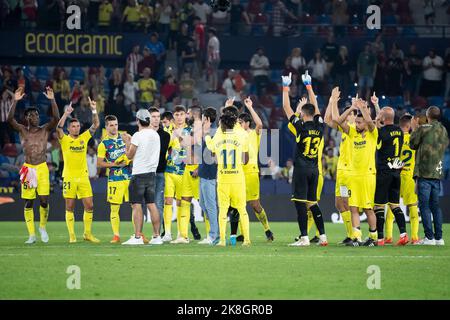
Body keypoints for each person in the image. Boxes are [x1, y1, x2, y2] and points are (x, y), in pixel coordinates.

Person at [7, 87, 59, 244]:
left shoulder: (45, 130)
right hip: (28, 168)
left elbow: (56, 118)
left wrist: (52, 99)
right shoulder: (22, 130)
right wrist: (15, 101)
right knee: (28, 202)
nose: (35, 117)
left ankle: (42, 227)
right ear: (26, 118)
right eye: (32, 115)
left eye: (36, 114)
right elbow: (9, 120)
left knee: (44, 200)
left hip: (42, 167)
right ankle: (31, 235)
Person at [281, 72, 328, 247]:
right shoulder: (319, 126)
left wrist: (285, 88)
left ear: (302, 113)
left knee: (300, 205)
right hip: (315, 169)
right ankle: (322, 236)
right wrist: (309, 87)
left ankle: (304, 238)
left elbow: (286, 108)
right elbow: (315, 108)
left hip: (301, 169)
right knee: (312, 203)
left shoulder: (300, 126)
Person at [205, 101, 251, 246]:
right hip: (237, 177)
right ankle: (247, 240)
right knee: (242, 209)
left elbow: (211, 150)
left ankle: (223, 240)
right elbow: (246, 159)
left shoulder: (218, 135)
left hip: (223, 178)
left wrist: (206, 135)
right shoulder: (241, 135)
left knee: (223, 210)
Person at [335, 97, 379, 247]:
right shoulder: (352, 131)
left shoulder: (373, 133)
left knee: (368, 209)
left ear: (366, 123)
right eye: (357, 122)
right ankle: (357, 237)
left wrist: (364, 109)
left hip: (367, 175)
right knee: (353, 208)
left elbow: (370, 122)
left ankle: (373, 237)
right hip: (353, 176)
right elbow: (338, 122)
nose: (357, 124)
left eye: (360, 122)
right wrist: (352, 108)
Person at [56, 97, 100, 243]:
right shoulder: (64, 139)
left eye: (78, 126)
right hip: (68, 177)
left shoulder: (84, 137)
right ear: (69, 128)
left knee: (90, 205)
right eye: (73, 126)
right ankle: (72, 235)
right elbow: (58, 128)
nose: (76, 128)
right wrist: (66, 114)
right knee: (70, 207)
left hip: (83, 177)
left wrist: (94, 109)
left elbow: (96, 124)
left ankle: (87, 233)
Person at [235, 97, 274, 242]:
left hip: (251, 172)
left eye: (240, 123)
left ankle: (267, 229)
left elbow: (260, 124)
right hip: (238, 172)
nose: (238, 125)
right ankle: (242, 232)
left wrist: (250, 108)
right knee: (239, 204)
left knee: (255, 204)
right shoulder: (237, 135)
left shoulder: (253, 134)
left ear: (246, 123)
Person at [122, 109, 162, 245]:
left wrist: (127, 141)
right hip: (152, 174)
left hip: (139, 174)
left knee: (136, 205)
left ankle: (138, 237)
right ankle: (157, 236)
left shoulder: (137, 136)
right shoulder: (155, 135)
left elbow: (129, 155)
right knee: (152, 204)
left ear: (137, 121)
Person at [410, 106, 449, 245]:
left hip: (424, 173)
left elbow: (412, 144)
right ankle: (439, 238)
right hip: (437, 173)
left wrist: (414, 128)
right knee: (435, 206)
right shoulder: (443, 130)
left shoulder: (423, 128)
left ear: (427, 115)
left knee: (424, 206)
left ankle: (429, 238)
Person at [373, 107, 409, 246]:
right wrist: (378, 109)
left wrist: (377, 118)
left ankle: (380, 239)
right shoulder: (399, 131)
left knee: (379, 206)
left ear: (383, 117)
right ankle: (403, 235)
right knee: (394, 205)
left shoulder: (382, 132)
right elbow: (384, 126)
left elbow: (378, 132)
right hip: (396, 172)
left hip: (384, 171)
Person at [325, 94, 357, 245]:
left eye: (350, 113)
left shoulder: (353, 129)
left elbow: (337, 119)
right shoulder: (345, 130)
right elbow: (328, 120)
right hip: (341, 171)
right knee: (339, 204)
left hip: (348, 172)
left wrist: (350, 107)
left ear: (354, 116)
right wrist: (332, 102)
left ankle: (355, 235)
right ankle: (350, 235)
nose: (347, 116)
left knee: (346, 202)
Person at [384, 114, 420, 245]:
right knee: (412, 206)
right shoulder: (414, 139)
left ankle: (388, 236)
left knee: (392, 205)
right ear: (409, 126)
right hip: (409, 176)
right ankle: (415, 237)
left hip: (395, 174)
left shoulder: (395, 138)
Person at [97, 115, 132, 243]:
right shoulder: (103, 144)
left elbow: (134, 153)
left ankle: (138, 234)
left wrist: (128, 156)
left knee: (135, 205)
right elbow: (99, 163)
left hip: (129, 176)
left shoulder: (126, 137)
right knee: (114, 207)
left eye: (116, 124)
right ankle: (116, 235)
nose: (114, 127)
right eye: (111, 125)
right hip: (114, 178)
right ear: (106, 127)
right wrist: (115, 164)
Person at [171, 105, 203, 244]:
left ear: (194, 114)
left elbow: (206, 150)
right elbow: (184, 144)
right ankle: (183, 236)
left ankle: (212, 235)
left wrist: (200, 168)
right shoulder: (189, 129)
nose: (185, 116)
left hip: (197, 170)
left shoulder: (201, 128)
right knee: (184, 201)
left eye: (188, 113)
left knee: (206, 204)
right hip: (187, 169)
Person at [197, 107, 219, 245]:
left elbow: (214, 153)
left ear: (207, 119)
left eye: (203, 118)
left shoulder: (214, 133)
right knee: (203, 204)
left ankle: (214, 236)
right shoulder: (207, 132)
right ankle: (214, 233)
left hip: (210, 174)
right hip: (203, 172)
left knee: (210, 206)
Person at [149, 107, 170, 236]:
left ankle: (156, 234)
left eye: (158, 117)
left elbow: (160, 151)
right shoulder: (143, 133)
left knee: (158, 203)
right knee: (138, 204)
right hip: (145, 173)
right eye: (153, 116)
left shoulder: (165, 135)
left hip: (159, 173)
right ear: (149, 118)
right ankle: (138, 234)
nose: (156, 119)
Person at [207, 27, 220, 92]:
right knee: (215, 73)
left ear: (211, 33)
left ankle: (211, 88)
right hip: (217, 57)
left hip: (213, 57)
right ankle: (215, 88)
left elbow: (211, 49)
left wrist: (209, 59)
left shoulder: (211, 39)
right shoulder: (216, 39)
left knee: (211, 73)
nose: (208, 34)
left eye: (209, 33)